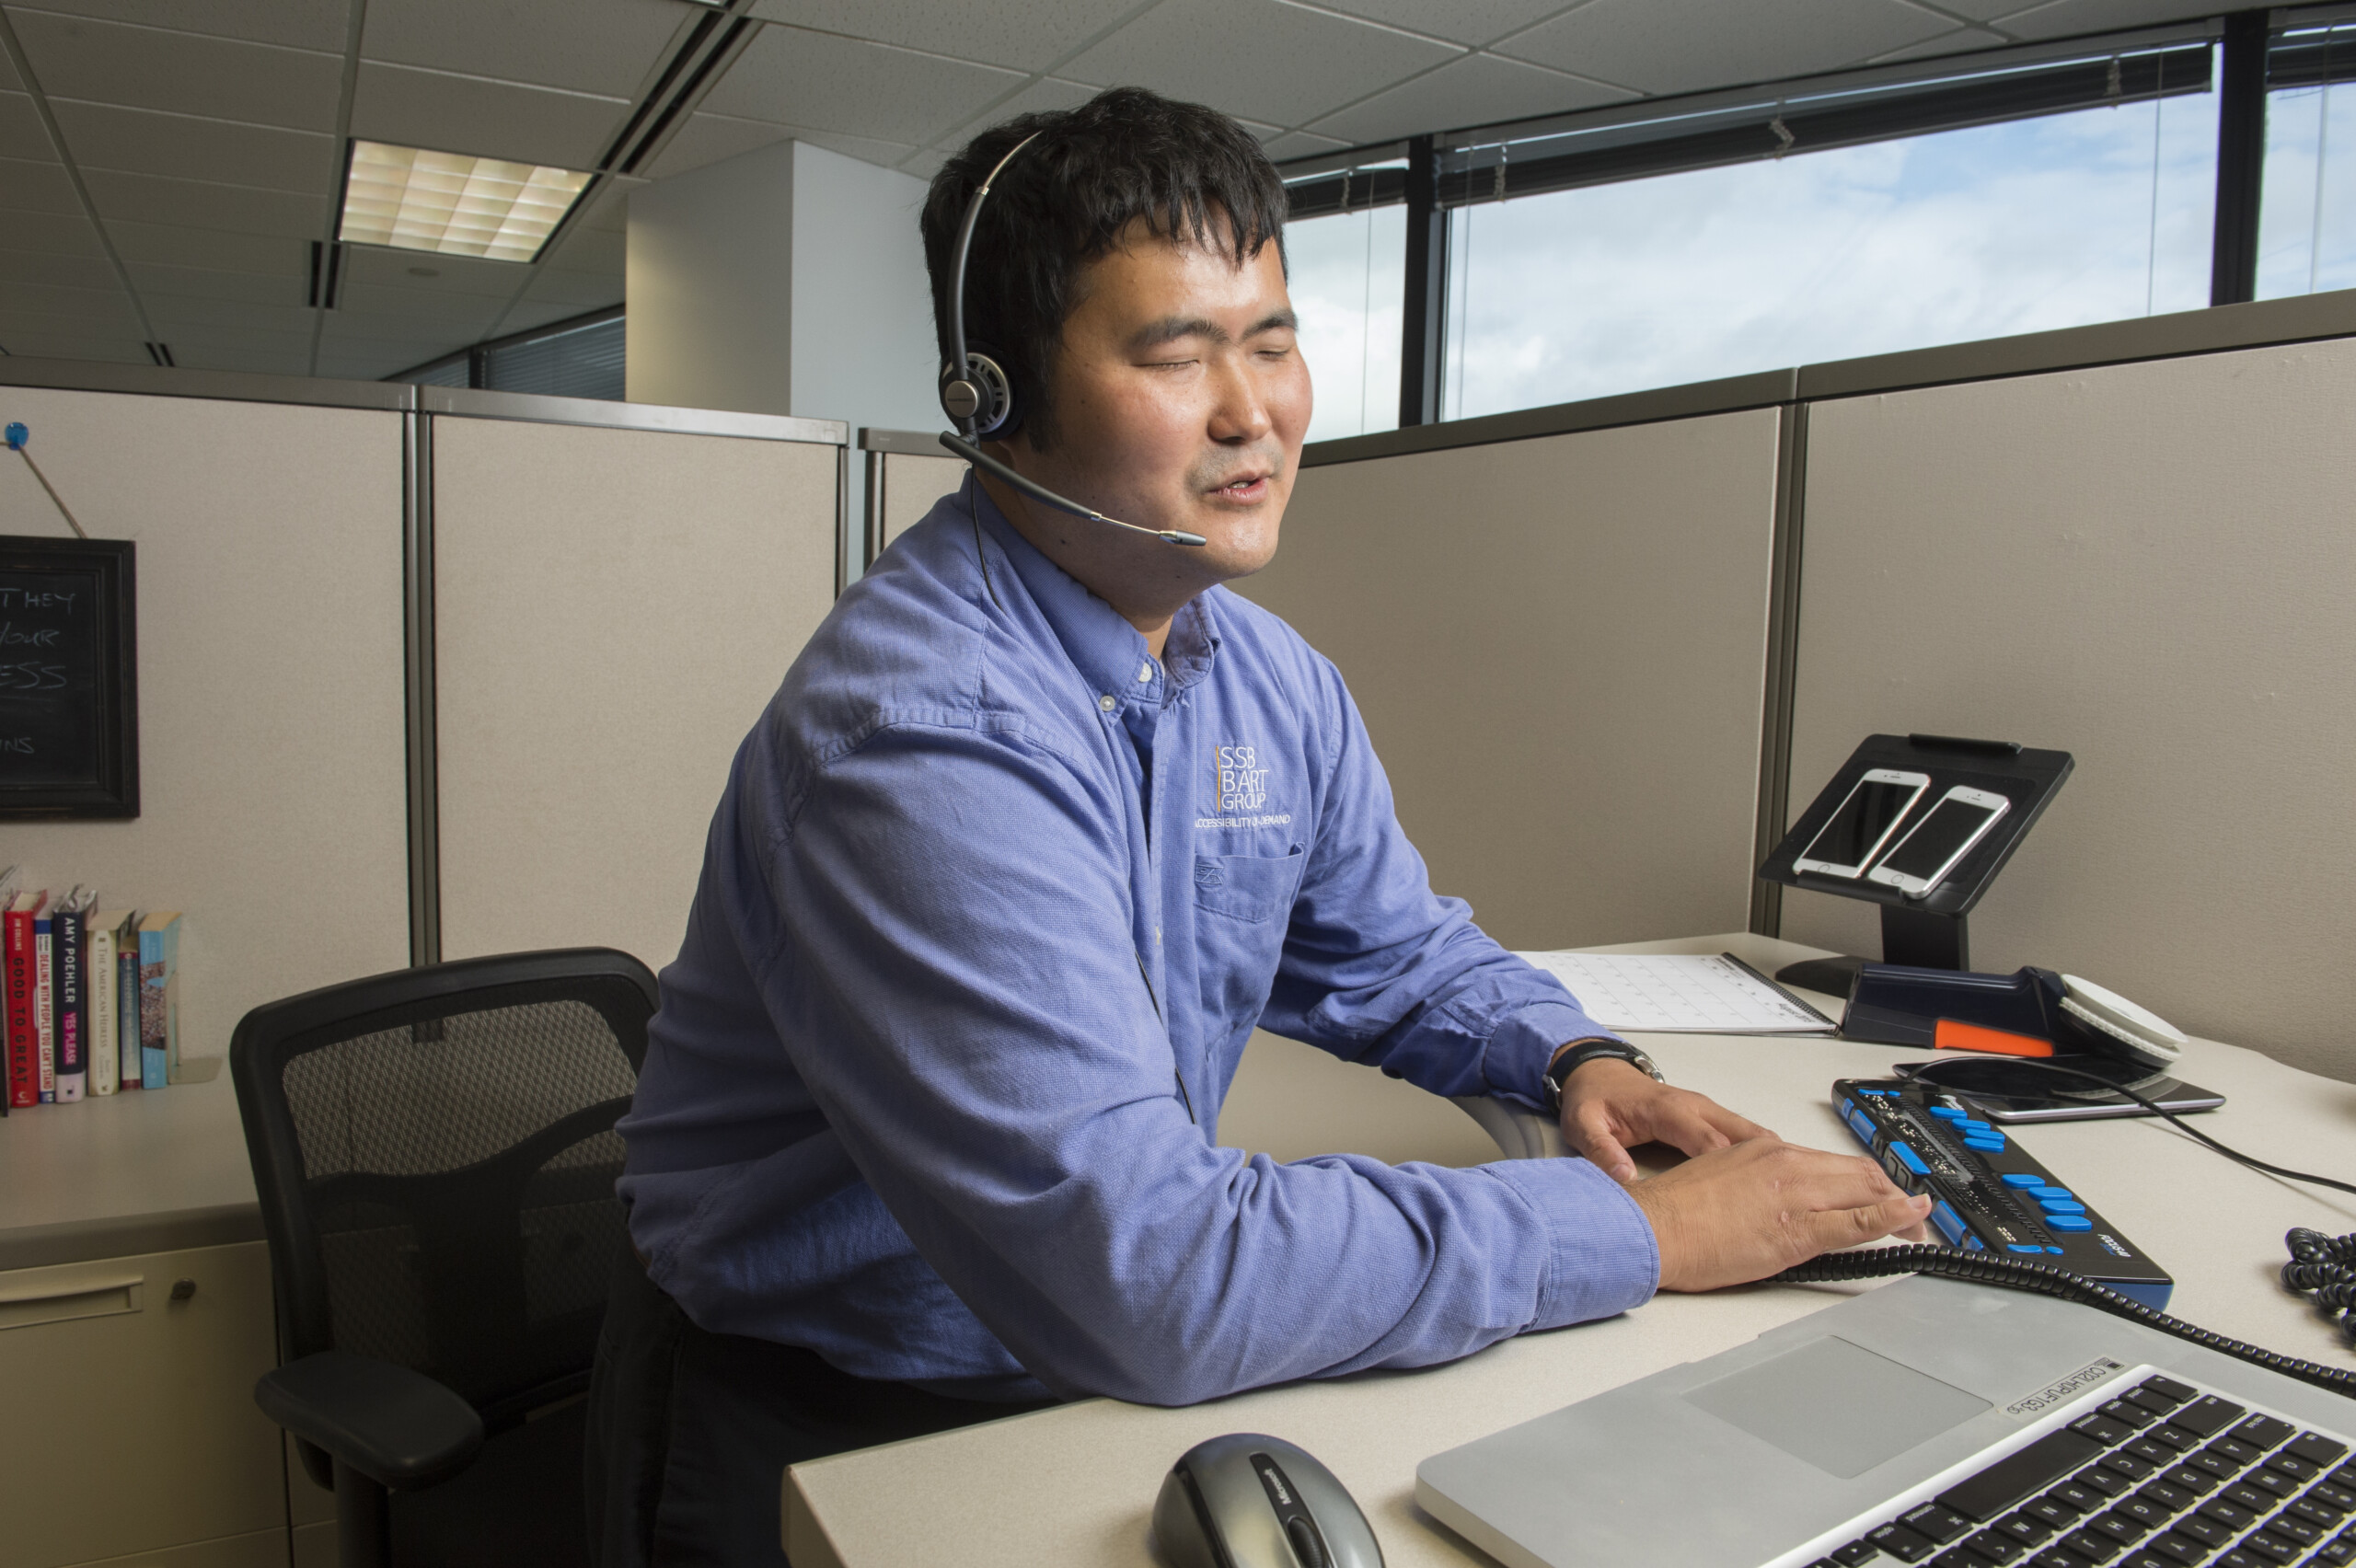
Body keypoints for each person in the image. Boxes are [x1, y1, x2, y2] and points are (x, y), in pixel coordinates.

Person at [586, 85, 1930, 1567]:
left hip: (1079, 1379)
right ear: (993, 399)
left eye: (1273, 340)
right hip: (840, 1418)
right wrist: (1648, 1238)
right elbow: (1151, 1271)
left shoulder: (1261, 675)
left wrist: (1573, 1063)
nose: (1256, 413)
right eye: (1178, 353)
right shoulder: (922, 741)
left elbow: (1397, 952)